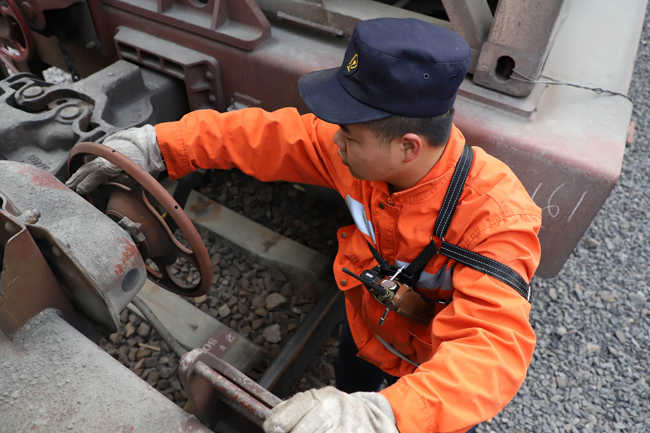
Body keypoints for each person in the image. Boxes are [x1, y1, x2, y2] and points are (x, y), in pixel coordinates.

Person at [67, 17, 542, 433]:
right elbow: (263, 135)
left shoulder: (494, 220)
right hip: (363, 329)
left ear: (409, 147)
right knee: (351, 377)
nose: (333, 142)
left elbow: (493, 347)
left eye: (349, 135)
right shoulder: (364, 156)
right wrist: (157, 146)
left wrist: (386, 417)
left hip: (427, 369)